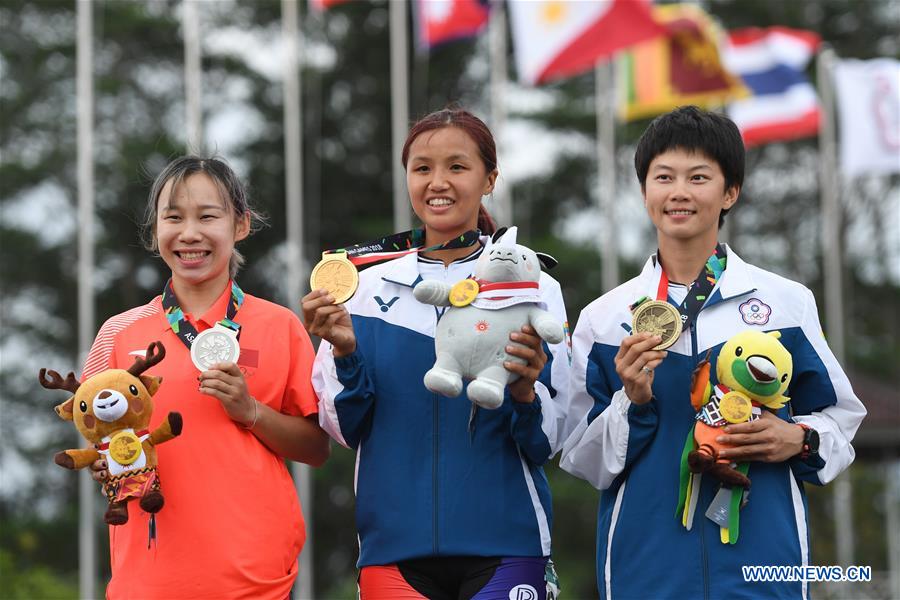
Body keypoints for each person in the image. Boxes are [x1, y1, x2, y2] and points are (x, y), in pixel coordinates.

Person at [560, 106, 866, 599]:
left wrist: (799, 439)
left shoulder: (785, 303)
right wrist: (632, 401)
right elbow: (581, 458)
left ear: (729, 192)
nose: (679, 192)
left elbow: (841, 417)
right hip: (646, 569)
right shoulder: (606, 318)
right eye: (664, 176)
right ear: (645, 192)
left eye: (698, 177)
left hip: (765, 566)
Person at [303, 108, 571, 600]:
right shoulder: (362, 288)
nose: (438, 182)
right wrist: (344, 354)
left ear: (490, 179)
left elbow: (551, 439)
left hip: (508, 543)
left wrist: (525, 391)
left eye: (457, 166)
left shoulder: (534, 285)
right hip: (393, 550)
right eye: (422, 168)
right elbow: (342, 429)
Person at [81, 155, 330, 599]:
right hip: (149, 580)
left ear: (240, 226)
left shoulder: (280, 325)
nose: (189, 233)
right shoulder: (118, 334)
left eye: (207, 216)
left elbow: (315, 447)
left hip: (256, 579)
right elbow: (95, 443)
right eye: (173, 217)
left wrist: (250, 410)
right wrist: (104, 465)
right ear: (155, 231)